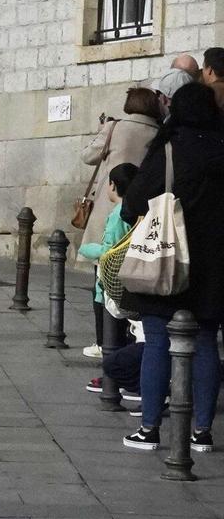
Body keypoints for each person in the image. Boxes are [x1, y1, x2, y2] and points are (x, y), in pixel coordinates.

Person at [117, 82, 224, 452]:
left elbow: (132, 202)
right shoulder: (220, 146)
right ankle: (202, 432)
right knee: (207, 340)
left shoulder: (169, 149)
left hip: (167, 259)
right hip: (215, 264)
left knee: (159, 340)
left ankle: (149, 428)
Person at [80, 162, 139, 383]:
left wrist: (86, 248)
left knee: (110, 338)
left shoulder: (117, 215)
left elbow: (108, 251)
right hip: (127, 281)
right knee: (125, 335)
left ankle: (112, 382)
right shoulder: (135, 211)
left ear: (112, 186)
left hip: (110, 283)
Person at [86, 87, 164, 217]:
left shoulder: (114, 128)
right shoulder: (159, 133)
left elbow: (88, 156)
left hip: (110, 201)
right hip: (142, 207)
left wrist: (101, 131)